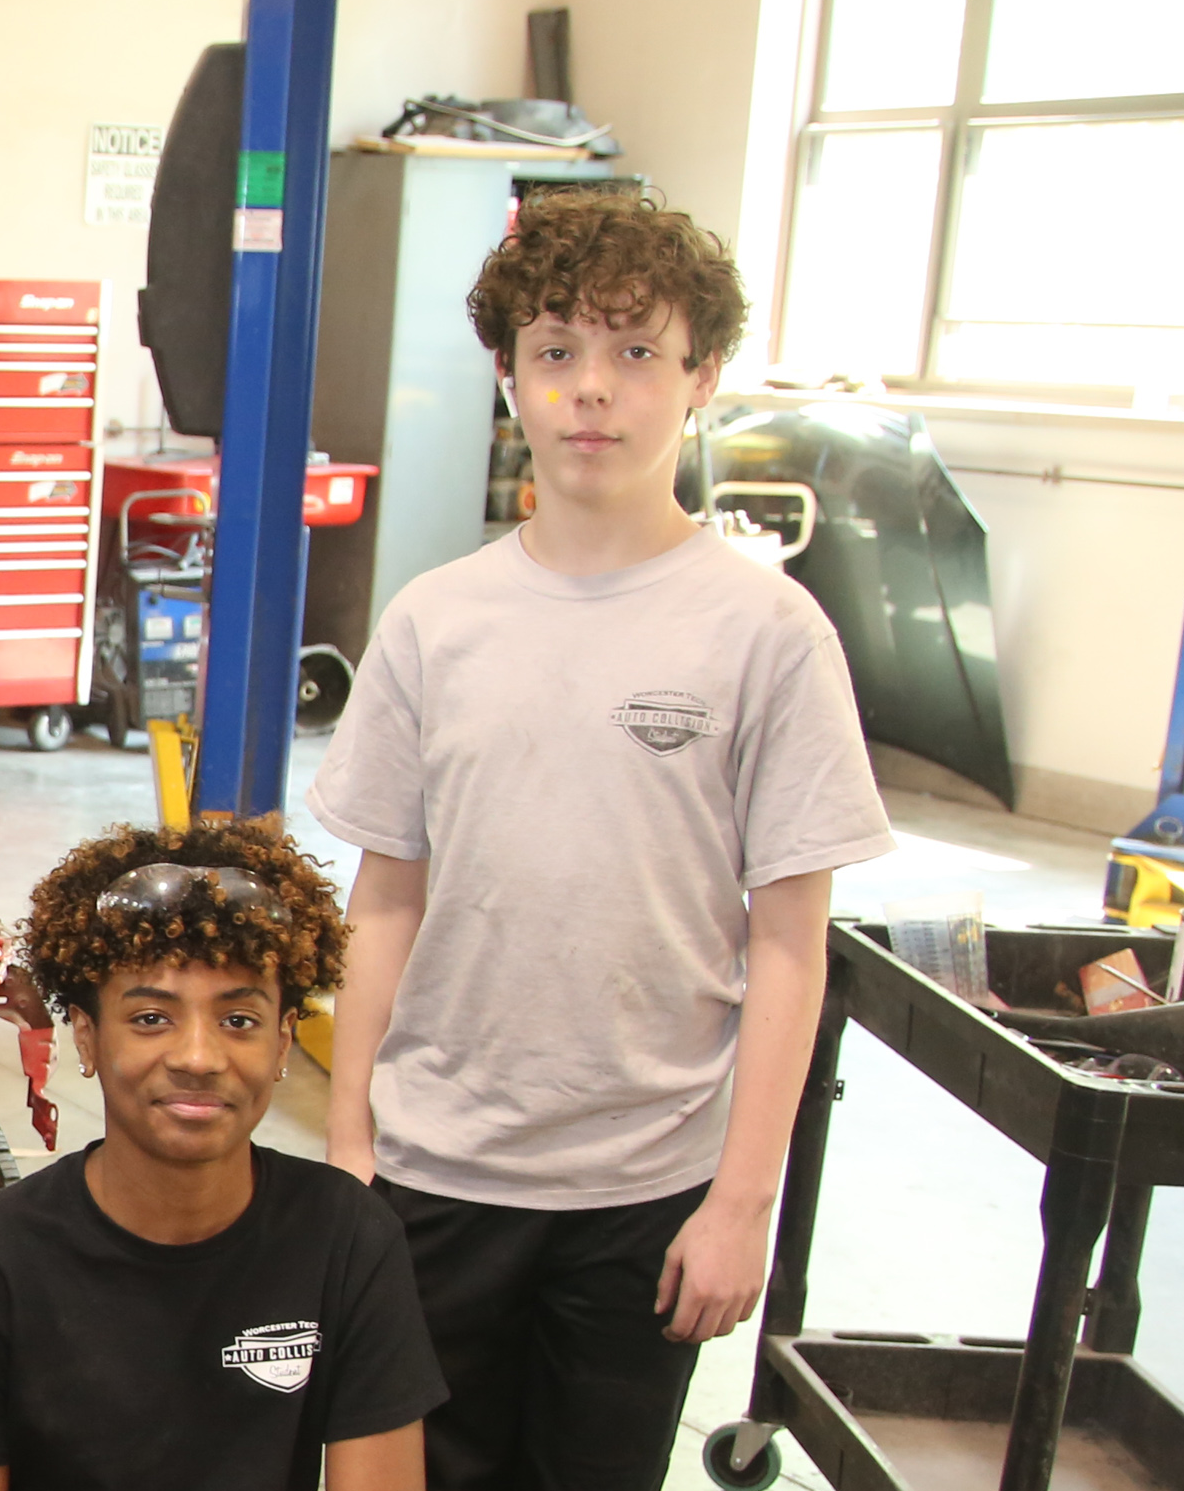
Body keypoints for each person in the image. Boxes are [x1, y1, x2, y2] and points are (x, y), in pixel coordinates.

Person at [307, 188, 897, 1490]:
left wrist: (741, 1198)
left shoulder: (766, 635)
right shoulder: (434, 621)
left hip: (644, 1191)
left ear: (703, 378)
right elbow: (385, 897)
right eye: (556, 351)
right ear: (509, 374)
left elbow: (790, 941)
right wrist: (350, 1146)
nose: (593, 391)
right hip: (433, 1173)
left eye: (638, 353)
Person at [0, 819, 439, 1491]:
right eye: (150, 1017)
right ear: (86, 1035)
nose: (198, 1057)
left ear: (284, 1042)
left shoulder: (348, 1237)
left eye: (239, 1020)